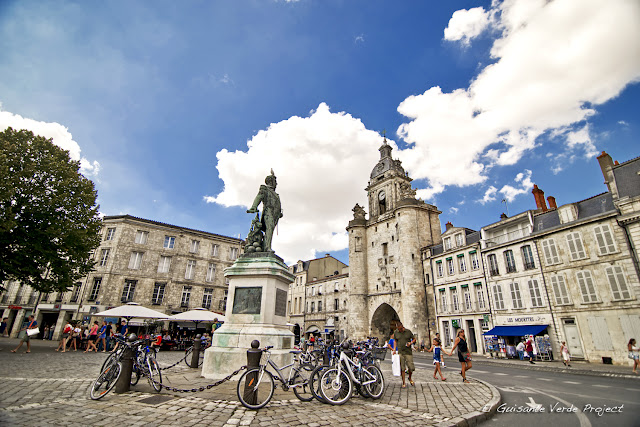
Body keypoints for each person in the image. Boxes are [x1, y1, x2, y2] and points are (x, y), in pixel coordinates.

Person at [246, 170, 283, 253]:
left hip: (275, 215)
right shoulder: (265, 189)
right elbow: (259, 197)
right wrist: (254, 207)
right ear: (271, 182)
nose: (276, 184)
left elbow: (276, 204)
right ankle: (267, 248)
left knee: (270, 231)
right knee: (269, 229)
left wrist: (279, 213)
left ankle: (266, 246)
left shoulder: (276, 194)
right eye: (275, 182)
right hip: (268, 212)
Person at [394, 322, 416, 388]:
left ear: (402, 326)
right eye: (398, 329)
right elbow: (395, 340)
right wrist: (394, 349)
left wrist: (411, 342)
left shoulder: (408, 332)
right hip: (400, 352)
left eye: (400, 329)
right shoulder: (396, 332)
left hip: (408, 352)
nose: (399, 330)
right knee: (402, 368)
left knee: (411, 367)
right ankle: (403, 382)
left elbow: (414, 339)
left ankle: (410, 377)